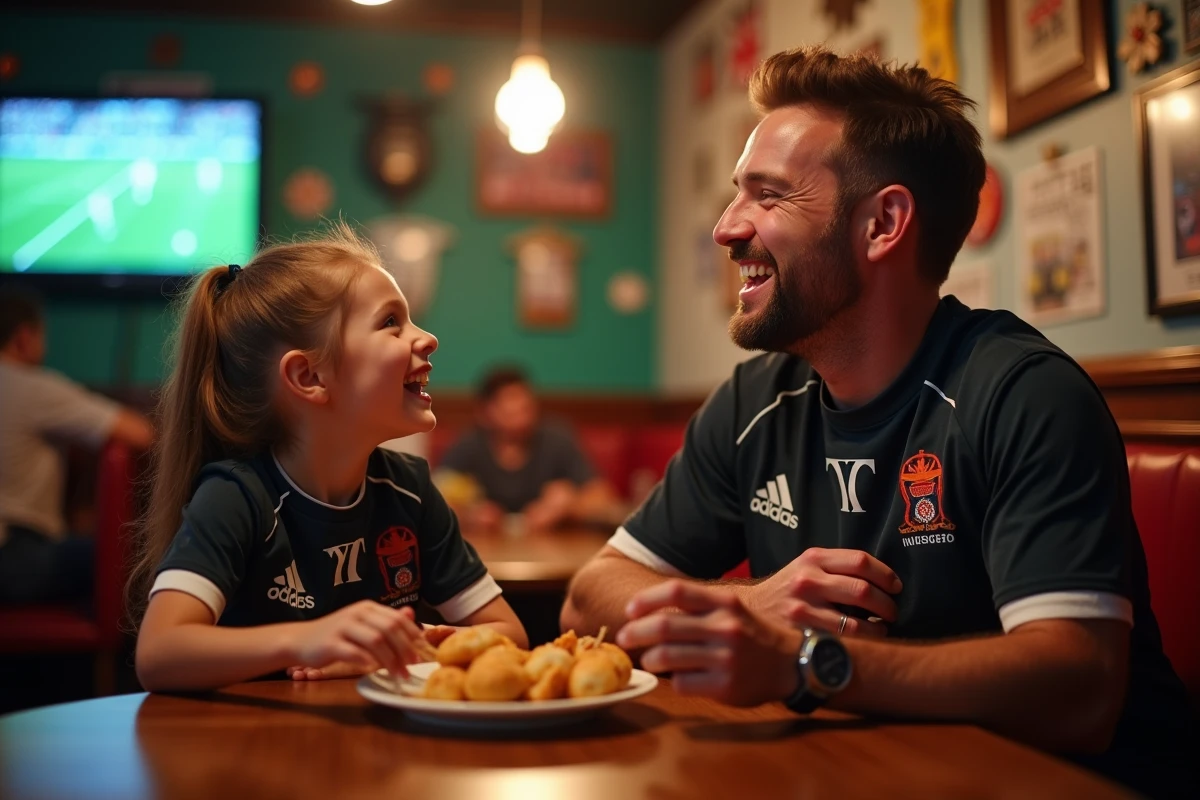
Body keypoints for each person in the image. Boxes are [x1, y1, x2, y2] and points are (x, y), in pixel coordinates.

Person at [561, 46, 1195, 797]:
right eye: (737, 195)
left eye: (767, 196)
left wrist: (804, 664)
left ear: (883, 223)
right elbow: (588, 594)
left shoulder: (1023, 393)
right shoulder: (753, 400)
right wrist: (751, 603)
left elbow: (1080, 689)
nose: (727, 229)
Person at [130, 224, 526, 693]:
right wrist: (306, 640)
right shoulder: (237, 496)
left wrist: (408, 647)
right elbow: (158, 654)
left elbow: (511, 636)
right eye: (390, 323)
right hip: (249, 751)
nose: (427, 339)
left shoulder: (410, 491)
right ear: (309, 376)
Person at [0, 286, 154, 606]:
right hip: (13, 555)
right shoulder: (34, 387)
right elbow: (139, 432)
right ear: (24, 337)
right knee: (135, 557)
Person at [436, 366, 622, 531]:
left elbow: (603, 499)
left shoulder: (557, 439)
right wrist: (469, 514)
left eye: (525, 408)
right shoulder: (469, 444)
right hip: (484, 555)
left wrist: (568, 506)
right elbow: (434, 501)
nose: (521, 418)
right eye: (510, 409)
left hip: (553, 553)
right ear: (485, 412)